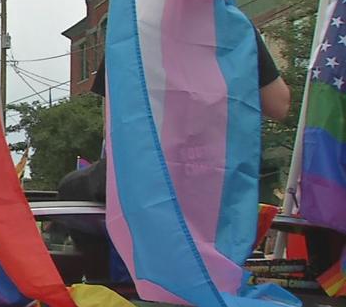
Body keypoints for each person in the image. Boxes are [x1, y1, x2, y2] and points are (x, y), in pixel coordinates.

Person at [59, 28, 290, 201]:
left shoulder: (131, 32)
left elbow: (113, 127)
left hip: (149, 178)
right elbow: (278, 105)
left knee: (71, 189)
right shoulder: (234, 27)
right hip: (225, 179)